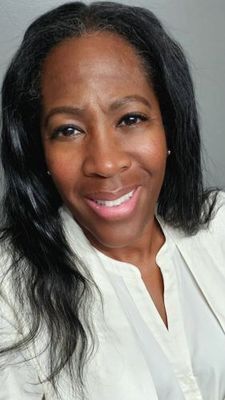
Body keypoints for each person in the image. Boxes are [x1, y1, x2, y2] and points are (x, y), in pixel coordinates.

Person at [0, 1, 224, 399]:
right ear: (40, 151)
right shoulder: (9, 293)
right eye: (68, 130)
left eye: (131, 119)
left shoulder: (220, 225)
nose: (105, 163)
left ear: (169, 125)